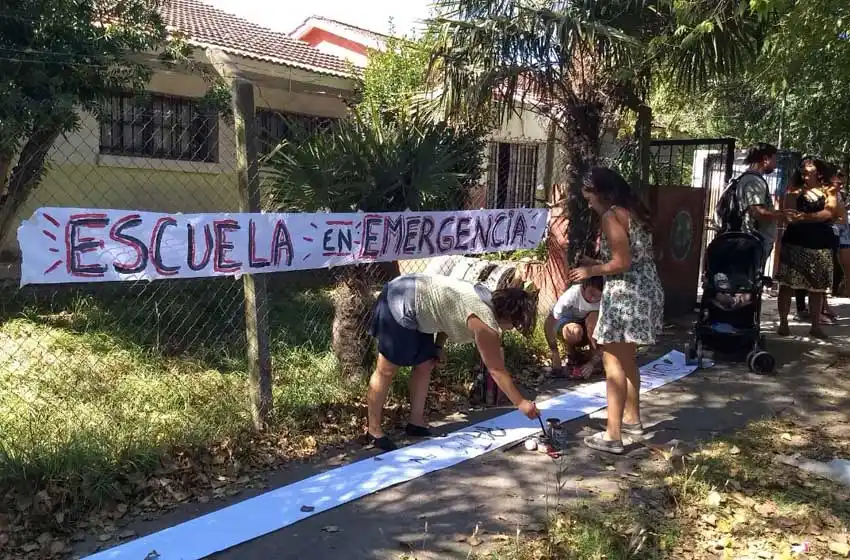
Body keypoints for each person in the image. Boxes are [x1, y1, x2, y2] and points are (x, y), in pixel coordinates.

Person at [365, 273, 540, 451]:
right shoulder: (483, 322)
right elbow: (495, 369)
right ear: (509, 316)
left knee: (425, 364)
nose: (513, 329)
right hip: (400, 300)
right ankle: (374, 430)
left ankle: (415, 422)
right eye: (515, 324)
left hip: (421, 305)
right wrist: (521, 403)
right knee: (386, 370)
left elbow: (448, 312)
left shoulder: (486, 298)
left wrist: (438, 346)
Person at [567, 167, 664, 455]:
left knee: (612, 365)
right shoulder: (633, 211)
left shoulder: (611, 216)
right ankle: (632, 419)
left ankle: (613, 435)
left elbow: (621, 262)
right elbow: (632, 255)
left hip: (625, 295)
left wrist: (590, 269)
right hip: (645, 290)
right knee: (628, 359)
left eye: (590, 198)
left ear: (603, 193)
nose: (589, 204)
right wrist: (595, 261)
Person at [776, 157, 840, 339]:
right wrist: (814, 217)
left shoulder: (829, 190)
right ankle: (783, 323)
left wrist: (803, 217)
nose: (804, 168)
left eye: (809, 165)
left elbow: (829, 212)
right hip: (795, 243)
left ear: (818, 171)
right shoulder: (793, 190)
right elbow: (789, 215)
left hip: (820, 245)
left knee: (817, 287)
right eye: (803, 166)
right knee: (787, 284)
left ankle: (815, 326)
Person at [544, 276, 603, 379]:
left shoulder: (606, 299)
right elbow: (549, 322)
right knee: (574, 331)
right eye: (591, 294)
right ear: (584, 286)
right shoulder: (572, 294)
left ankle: (592, 357)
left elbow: (607, 334)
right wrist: (554, 352)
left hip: (588, 329)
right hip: (568, 326)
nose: (593, 299)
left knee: (594, 317)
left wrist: (592, 363)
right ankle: (572, 354)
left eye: (598, 297)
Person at [737, 143, 784, 266]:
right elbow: (756, 212)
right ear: (765, 159)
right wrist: (782, 215)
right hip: (754, 242)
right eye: (774, 159)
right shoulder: (755, 181)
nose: (776, 163)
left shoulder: (746, 178)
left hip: (750, 241)